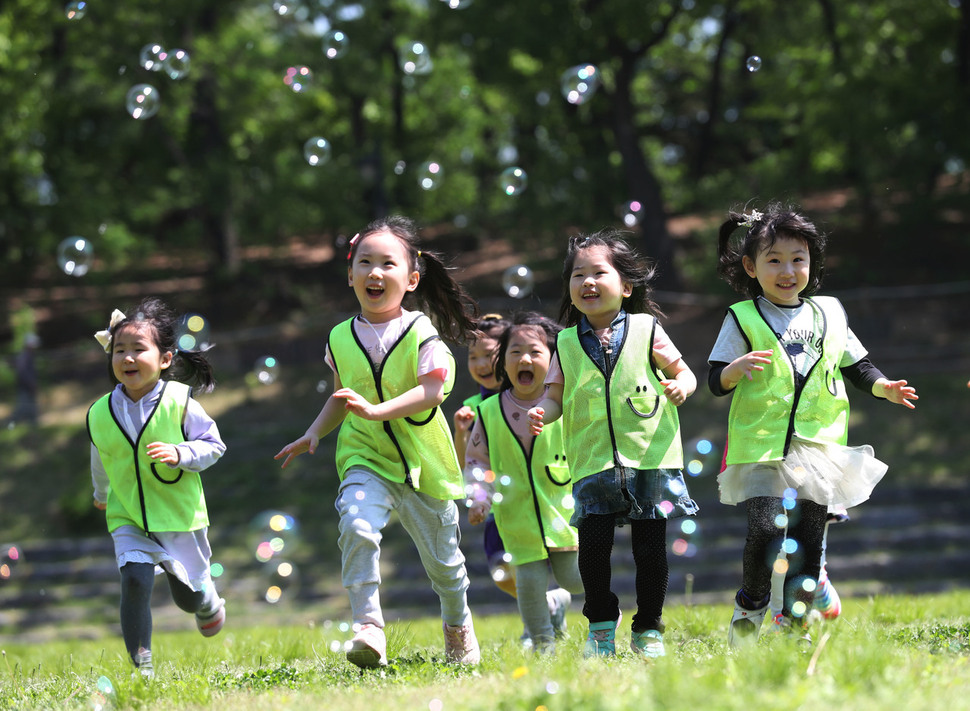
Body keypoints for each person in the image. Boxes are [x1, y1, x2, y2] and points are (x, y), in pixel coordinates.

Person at [275, 216, 482, 669]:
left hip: (424, 465)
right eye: (364, 262)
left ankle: (457, 625)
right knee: (357, 525)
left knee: (446, 567)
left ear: (410, 279)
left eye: (387, 264)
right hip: (365, 459)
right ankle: (368, 626)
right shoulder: (339, 337)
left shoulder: (421, 333)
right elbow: (340, 395)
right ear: (349, 275)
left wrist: (376, 410)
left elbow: (432, 391)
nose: (375, 272)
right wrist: (313, 433)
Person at [708, 203, 917, 647]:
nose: (788, 271)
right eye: (774, 260)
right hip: (762, 448)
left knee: (807, 539)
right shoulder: (742, 317)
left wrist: (885, 388)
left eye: (798, 259)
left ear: (812, 264)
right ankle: (752, 603)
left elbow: (858, 366)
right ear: (751, 266)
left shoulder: (830, 314)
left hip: (818, 449)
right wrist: (734, 369)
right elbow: (715, 380)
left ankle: (797, 625)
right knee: (765, 531)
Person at [528, 229, 699, 659]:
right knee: (593, 553)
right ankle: (601, 626)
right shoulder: (564, 343)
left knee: (651, 553)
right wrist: (542, 413)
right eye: (577, 274)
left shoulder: (646, 328)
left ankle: (648, 629)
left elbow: (685, 372)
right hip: (592, 462)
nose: (587, 281)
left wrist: (681, 386)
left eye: (598, 272)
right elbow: (554, 396)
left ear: (625, 286)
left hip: (650, 457)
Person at [88, 298, 227, 679]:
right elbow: (101, 459)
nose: (127, 358)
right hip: (128, 515)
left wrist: (181, 453)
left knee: (188, 596)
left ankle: (206, 601)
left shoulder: (180, 402)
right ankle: (142, 668)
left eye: (138, 350)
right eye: (119, 350)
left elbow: (214, 445)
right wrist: (101, 496)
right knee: (134, 579)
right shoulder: (99, 412)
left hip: (178, 514)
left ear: (165, 359)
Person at [464, 312, 583, 654]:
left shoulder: (567, 405)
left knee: (574, 578)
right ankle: (543, 645)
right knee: (528, 586)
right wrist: (479, 497)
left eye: (534, 351)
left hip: (564, 513)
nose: (524, 359)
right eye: (514, 352)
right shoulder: (489, 412)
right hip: (516, 517)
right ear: (502, 363)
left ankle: (605, 609)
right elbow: (477, 461)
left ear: (554, 361)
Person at [453, 315, 519, 598]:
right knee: (500, 571)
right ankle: (547, 604)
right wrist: (460, 432)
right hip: (495, 503)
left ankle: (538, 620)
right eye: (473, 357)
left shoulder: (528, 397)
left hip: (535, 495)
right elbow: (463, 463)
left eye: (489, 355)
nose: (480, 364)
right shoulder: (472, 407)